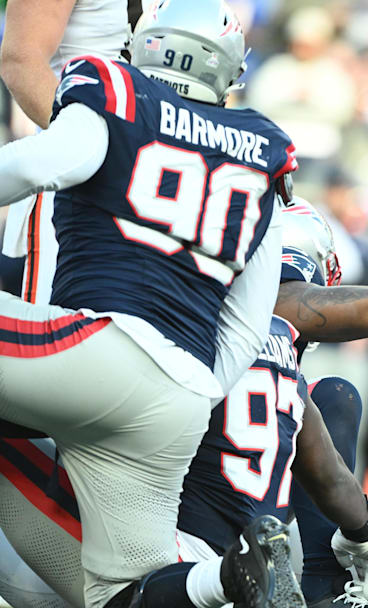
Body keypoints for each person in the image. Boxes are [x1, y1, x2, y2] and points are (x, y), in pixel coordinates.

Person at [0, 1, 298, 606]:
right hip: (180, 398)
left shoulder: (113, 90)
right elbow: (247, 321)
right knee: (120, 593)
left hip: (98, 350)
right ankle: (227, 578)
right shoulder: (263, 147)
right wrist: (191, 391)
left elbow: (42, 162)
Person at [0, 201, 368, 608]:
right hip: (248, 550)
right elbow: (332, 477)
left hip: (167, 569)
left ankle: (235, 573)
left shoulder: (181, 328)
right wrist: (365, 535)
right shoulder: (290, 379)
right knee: (334, 394)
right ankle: (318, 583)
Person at [0, 0, 132, 305]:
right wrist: (96, 148)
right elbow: (21, 60)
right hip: (76, 185)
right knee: (52, 337)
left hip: (156, 183)